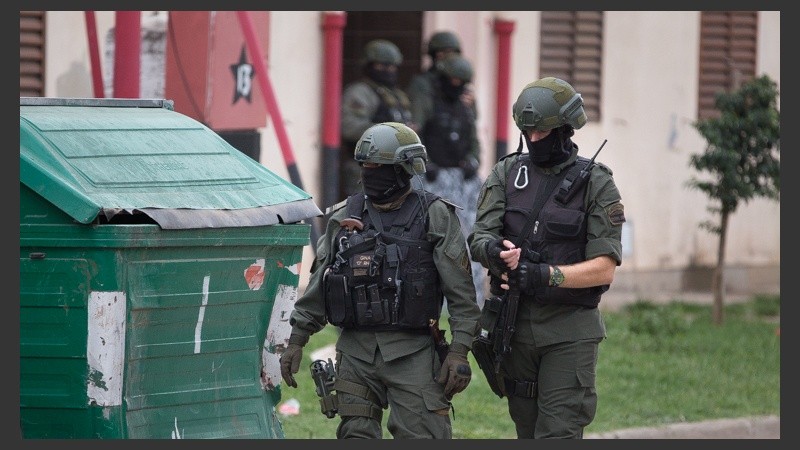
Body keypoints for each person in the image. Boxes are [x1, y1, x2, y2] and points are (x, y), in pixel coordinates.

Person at [281, 122, 481, 439]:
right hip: (355, 354)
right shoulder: (344, 216)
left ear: (404, 169)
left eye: (380, 167)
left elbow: (462, 295)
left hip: (413, 353)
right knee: (355, 435)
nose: (370, 173)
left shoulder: (435, 215)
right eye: (365, 165)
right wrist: (296, 341)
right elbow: (319, 285)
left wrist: (458, 352)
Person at [467, 77, 626, 439]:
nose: (534, 141)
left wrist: (544, 275)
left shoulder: (597, 183)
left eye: (543, 132)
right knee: (527, 430)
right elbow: (479, 236)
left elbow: (604, 268)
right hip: (515, 327)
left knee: (558, 432)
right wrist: (495, 252)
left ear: (566, 129)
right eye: (528, 133)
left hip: (569, 331)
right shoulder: (508, 173)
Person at [407, 48, 487, 308]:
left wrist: (472, 162)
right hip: (432, 181)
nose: (458, 87)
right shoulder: (427, 105)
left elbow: (474, 143)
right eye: (453, 82)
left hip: (462, 184)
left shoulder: (465, 110)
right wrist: (425, 164)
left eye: (461, 83)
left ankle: (468, 300)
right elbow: (414, 137)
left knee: (470, 241)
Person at [340, 39, 414, 199]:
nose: (388, 71)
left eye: (392, 66)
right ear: (369, 65)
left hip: (396, 168)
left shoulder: (395, 94)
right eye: (382, 66)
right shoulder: (360, 92)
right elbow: (349, 127)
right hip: (367, 167)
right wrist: (389, 131)